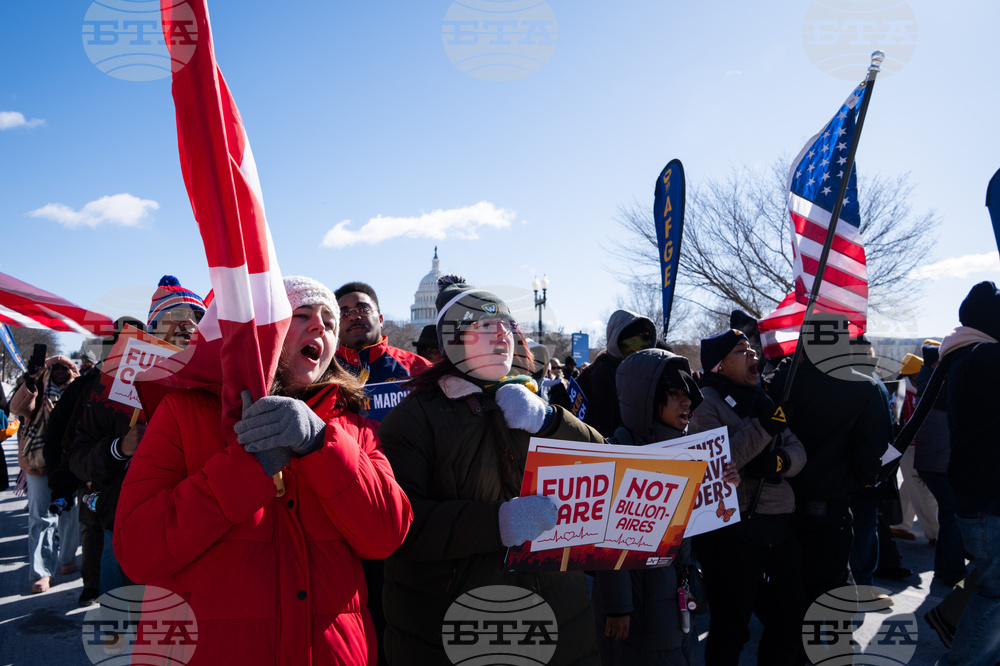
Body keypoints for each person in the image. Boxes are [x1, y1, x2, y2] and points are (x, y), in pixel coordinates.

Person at [114, 276, 413, 666]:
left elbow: (387, 536)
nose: (320, 325)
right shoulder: (182, 413)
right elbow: (138, 552)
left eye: (330, 321)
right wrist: (245, 468)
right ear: (262, 331)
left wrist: (322, 445)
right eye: (301, 314)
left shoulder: (353, 428)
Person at [378, 275, 604, 666]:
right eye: (484, 324)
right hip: (456, 621)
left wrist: (550, 422)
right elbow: (401, 527)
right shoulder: (413, 419)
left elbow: (605, 472)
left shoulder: (537, 405)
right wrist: (498, 523)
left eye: (506, 323)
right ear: (454, 342)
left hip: (556, 614)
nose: (501, 332)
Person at [593, 347, 737, 665]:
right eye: (674, 394)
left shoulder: (685, 451)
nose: (687, 402)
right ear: (644, 399)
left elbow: (699, 525)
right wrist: (617, 607)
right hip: (636, 603)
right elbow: (604, 538)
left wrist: (724, 487)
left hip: (674, 595)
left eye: (687, 394)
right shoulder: (619, 452)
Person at [69, 279, 206, 600]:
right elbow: (78, 457)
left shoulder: (216, 384)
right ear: (154, 328)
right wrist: (120, 448)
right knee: (124, 632)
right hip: (124, 528)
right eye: (178, 315)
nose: (188, 324)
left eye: (197, 317)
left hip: (196, 532)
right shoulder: (113, 386)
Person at [690, 329, 807, 666]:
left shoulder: (765, 399)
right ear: (719, 365)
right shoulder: (704, 403)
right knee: (731, 629)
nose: (753, 354)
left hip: (776, 528)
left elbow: (798, 450)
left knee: (790, 619)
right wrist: (764, 429)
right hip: (733, 532)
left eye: (752, 349)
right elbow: (719, 462)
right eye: (742, 350)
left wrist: (777, 462)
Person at [333, 281, 431, 665]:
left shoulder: (417, 370)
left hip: (414, 515)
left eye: (361, 308)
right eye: (343, 311)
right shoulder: (324, 373)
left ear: (380, 316)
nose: (353, 315)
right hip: (350, 522)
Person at [769, 315, 890, 611]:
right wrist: (862, 481)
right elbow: (874, 453)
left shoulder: (784, 381)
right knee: (827, 597)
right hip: (830, 505)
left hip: (783, 502)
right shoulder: (863, 387)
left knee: (789, 596)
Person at [937, 281, 1000, 666]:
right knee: (994, 595)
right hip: (988, 501)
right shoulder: (984, 360)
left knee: (988, 586)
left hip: (979, 495)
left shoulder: (969, 358)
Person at [12, 354, 81, 593]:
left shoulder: (79, 389)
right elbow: (16, 408)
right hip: (39, 461)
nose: (61, 371)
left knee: (68, 515)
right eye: (56, 368)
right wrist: (31, 380)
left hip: (69, 464)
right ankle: (42, 572)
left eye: (65, 367)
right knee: (41, 516)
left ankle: (67, 558)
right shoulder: (38, 390)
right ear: (48, 371)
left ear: (72, 370)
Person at [914, 340, 968, 588]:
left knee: (949, 513)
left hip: (935, 458)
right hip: (937, 459)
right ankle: (954, 570)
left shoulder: (929, 380)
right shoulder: (934, 384)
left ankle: (944, 568)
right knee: (953, 513)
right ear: (936, 362)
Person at [575, 310, 657, 437]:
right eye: (641, 337)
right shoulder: (594, 376)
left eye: (648, 337)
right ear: (619, 339)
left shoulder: (652, 374)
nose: (646, 343)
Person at [334, 281, 431, 386]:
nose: (354, 317)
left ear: (380, 319)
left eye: (363, 309)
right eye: (344, 313)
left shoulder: (420, 369)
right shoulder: (320, 372)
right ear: (335, 325)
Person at [890, 351, 939, 545]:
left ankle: (900, 524)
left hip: (920, 446)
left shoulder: (916, 389)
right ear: (912, 375)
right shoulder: (901, 392)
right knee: (922, 491)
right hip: (908, 448)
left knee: (910, 487)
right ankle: (936, 533)